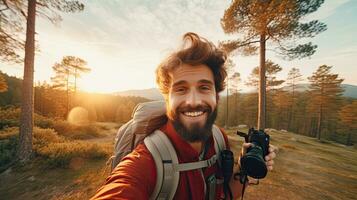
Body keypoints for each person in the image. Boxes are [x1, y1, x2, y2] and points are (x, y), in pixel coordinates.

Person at [91, 32, 277, 199]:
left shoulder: (219, 139)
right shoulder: (145, 162)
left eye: (204, 87)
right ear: (167, 99)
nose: (193, 101)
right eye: (181, 89)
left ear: (216, 97)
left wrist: (245, 166)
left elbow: (226, 194)